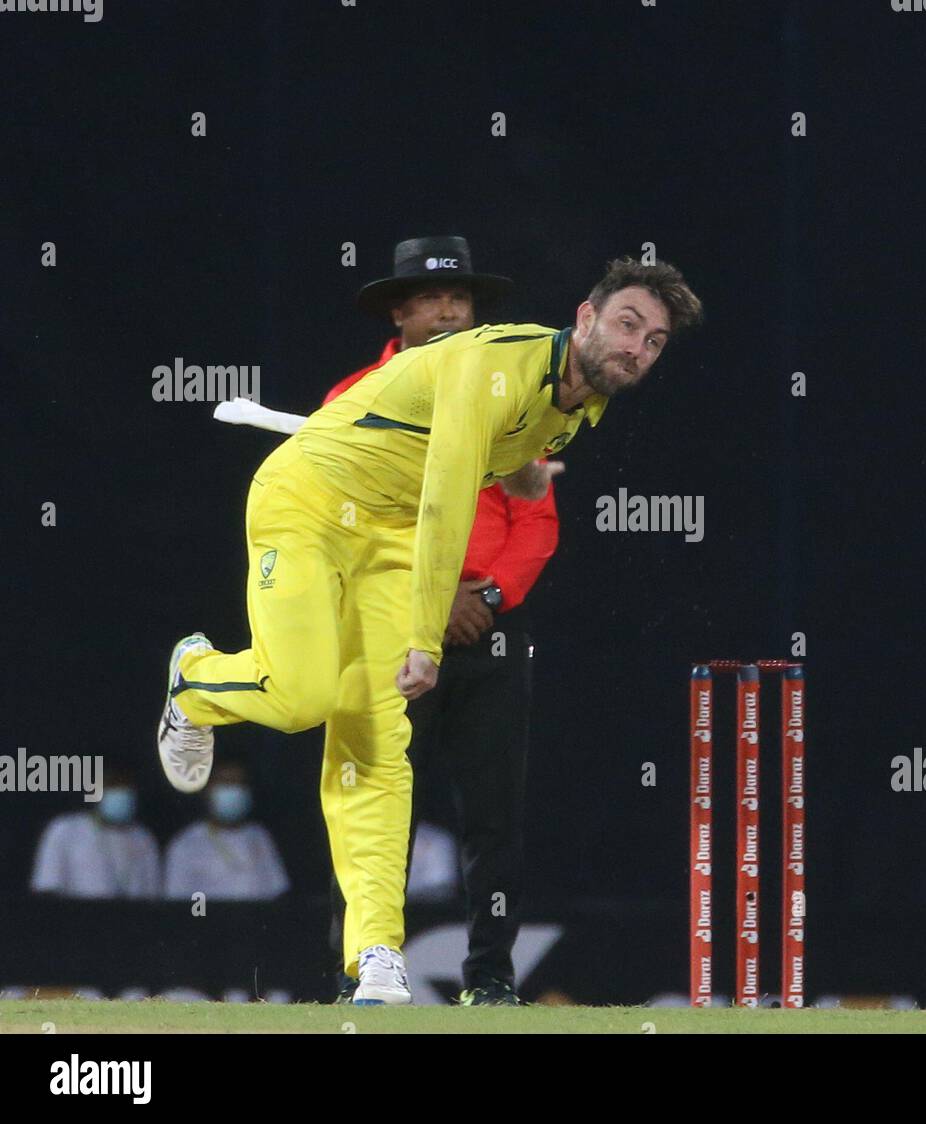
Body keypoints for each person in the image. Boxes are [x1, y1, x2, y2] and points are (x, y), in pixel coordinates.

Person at [156, 256, 702, 1005]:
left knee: (375, 736)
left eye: (656, 341)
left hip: (387, 535)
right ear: (584, 317)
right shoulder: (499, 365)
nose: (638, 346)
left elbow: (485, 467)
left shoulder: (577, 404)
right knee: (300, 696)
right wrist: (423, 637)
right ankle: (196, 680)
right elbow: (446, 501)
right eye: (628, 323)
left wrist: (523, 477)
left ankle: (377, 953)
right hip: (306, 503)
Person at [324, 236, 562, 1006]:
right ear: (400, 310)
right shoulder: (354, 396)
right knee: (374, 803)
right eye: (431, 298)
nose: (450, 311)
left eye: (461, 298)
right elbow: (338, 519)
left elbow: (537, 520)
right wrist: (426, 600)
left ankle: (491, 978)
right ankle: (359, 969)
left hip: (489, 630)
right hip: (389, 626)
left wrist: (482, 598)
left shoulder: (509, 398)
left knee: (495, 814)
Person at [163, 760, 289, 901]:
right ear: (206, 789)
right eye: (225, 782)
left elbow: (277, 891)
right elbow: (176, 905)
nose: (232, 789)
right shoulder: (185, 844)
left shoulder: (259, 836)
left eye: (238, 783)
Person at [30, 763, 161, 899]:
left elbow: (153, 896)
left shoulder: (143, 838)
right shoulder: (65, 830)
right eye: (112, 786)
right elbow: (47, 889)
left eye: (125, 787)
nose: (120, 792)